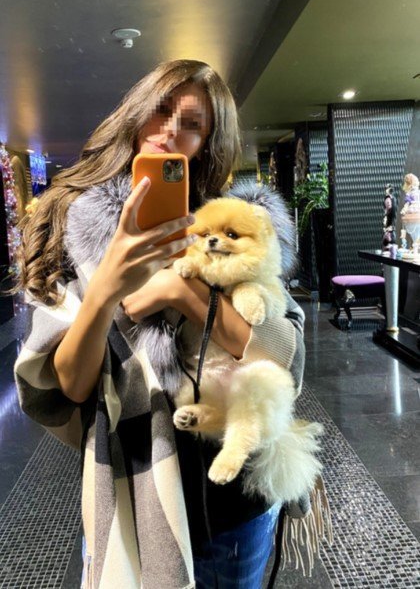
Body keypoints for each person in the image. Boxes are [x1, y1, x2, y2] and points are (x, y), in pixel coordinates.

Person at [13, 60, 320, 588]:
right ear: (135, 113)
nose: (170, 130)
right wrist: (105, 289)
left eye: (192, 123)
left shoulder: (230, 221)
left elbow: (281, 353)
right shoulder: (78, 225)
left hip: (235, 498)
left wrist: (182, 291)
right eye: (160, 110)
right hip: (134, 489)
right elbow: (71, 385)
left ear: (208, 142)